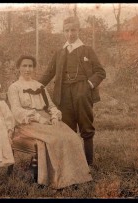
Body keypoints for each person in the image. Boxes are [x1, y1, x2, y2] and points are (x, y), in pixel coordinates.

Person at [7, 55, 92, 190]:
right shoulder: (14, 87)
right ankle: (56, 179)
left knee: (72, 137)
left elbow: (51, 105)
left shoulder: (40, 86)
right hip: (27, 123)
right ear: (19, 68)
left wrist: (54, 116)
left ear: (34, 68)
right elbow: (16, 111)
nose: (27, 69)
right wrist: (38, 118)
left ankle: (74, 176)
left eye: (30, 66)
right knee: (54, 140)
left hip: (46, 119)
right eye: (24, 66)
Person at [38, 17, 106, 166]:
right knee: (67, 129)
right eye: (67, 30)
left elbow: (101, 72)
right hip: (63, 95)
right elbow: (48, 74)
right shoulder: (59, 52)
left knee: (86, 128)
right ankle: (72, 165)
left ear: (79, 30)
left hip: (82, 93)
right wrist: (32, 86)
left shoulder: (87, 50)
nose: (70, 34)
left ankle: (88, 164)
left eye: (73, 30)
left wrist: (88, 85)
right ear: (63, 32)